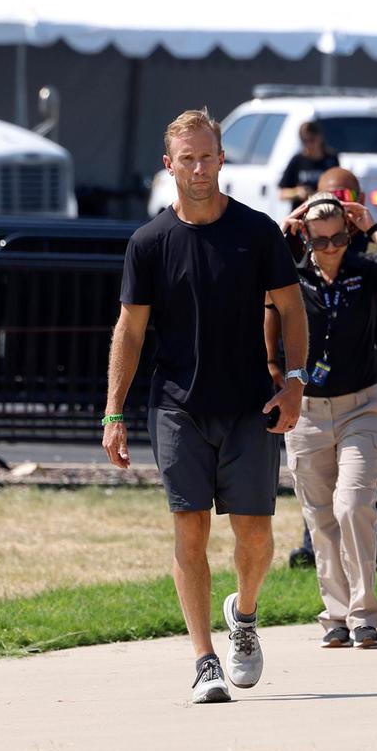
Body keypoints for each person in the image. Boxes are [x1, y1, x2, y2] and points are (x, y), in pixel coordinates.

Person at [102, 108, 308, 703]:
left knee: (256, 536)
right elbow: (130, 331)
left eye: (206, 155)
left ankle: (242, 616)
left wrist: (294, 382)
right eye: (185, 158)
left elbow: (291, 309)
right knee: (188, 530)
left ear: (223, 159)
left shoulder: (257, 231)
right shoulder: (148, 243)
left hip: (250, 403)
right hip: (176, 406)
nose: (197, 167)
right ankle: (204, 660)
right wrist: (114, 411)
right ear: (169, 166)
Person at [269, 191, 377, 648]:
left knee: (353, 504)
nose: (331, 248)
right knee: (320, 516)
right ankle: (335, 615)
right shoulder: (291, 275)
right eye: (321, 240)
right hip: (308, 409)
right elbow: (250, 283)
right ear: (307, 238)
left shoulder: (364, 269)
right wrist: (283, 230)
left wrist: (372, 227)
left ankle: (365, 613)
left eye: (339, 238)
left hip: (362, 406)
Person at [284, 168, 377, 571]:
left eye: (343, 200)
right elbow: (262, 293)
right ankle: (317, 553)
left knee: (368, 482)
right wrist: (291, 222)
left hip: (372, 373)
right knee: (321, 488)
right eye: (326, 199)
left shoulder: (368, 256)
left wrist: (371, 225)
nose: (331, 244)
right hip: (316, 391)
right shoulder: (301, 259)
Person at [279, 121, 340, 209]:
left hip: (325, 211)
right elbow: (282, 194)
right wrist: (297, 192)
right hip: (302, 214)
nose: (308, 144)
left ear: (320, 138)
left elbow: (339, 187)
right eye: (304, 141)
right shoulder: (297, 160)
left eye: (311, 140)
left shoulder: (331, 159)